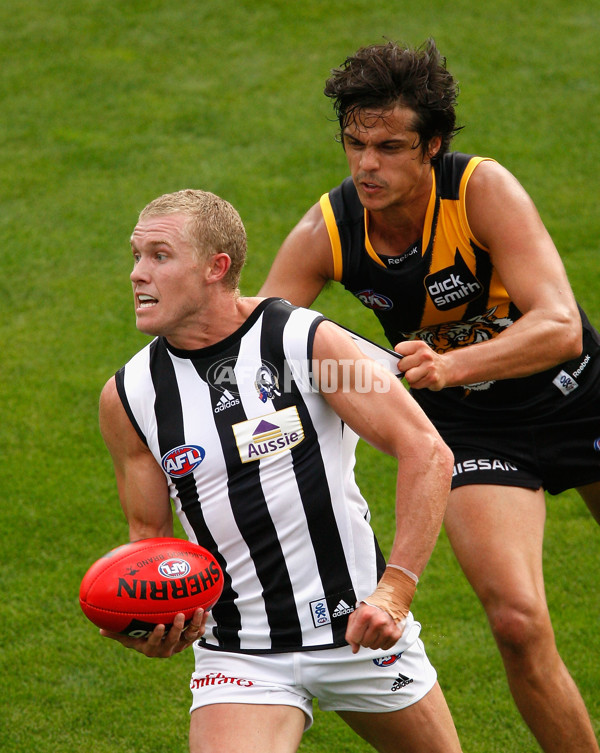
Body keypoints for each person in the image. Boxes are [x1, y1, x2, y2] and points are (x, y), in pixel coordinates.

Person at [258, 39, 600, 752]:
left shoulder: (481, 189)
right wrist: (358, 376)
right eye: (354, 143)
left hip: (576, 396)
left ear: (432, 145)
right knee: (515, 620)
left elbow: (561, 326)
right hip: (477, 433)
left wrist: (451, 364)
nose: (365, 165)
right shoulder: (330, 228)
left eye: (388, 146)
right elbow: (265, 344)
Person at [97, 188, 463, 753]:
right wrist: (148, 620)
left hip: (358, 633)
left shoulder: (303, 341)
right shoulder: (129, 396)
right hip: (239, 654)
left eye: (159, 256)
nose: (137, 274)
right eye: (136, 254)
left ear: (216, 269)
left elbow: (427, 451)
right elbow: (148, 540)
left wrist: (395, 591)